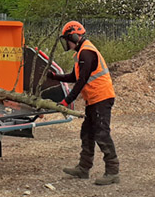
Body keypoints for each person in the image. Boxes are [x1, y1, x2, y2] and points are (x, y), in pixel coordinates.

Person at [49, 21, 119, 185]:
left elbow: (81, 82)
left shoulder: (87, 53)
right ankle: (84, 167)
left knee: (102, 134)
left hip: (101, 97)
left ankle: (113, 171)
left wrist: (67, 100)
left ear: (74, 36)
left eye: (67, 39)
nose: (67, 43)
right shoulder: (81, 53)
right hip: (94, 99)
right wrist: (54, 77)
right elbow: (74, 77)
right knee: (87, 132)